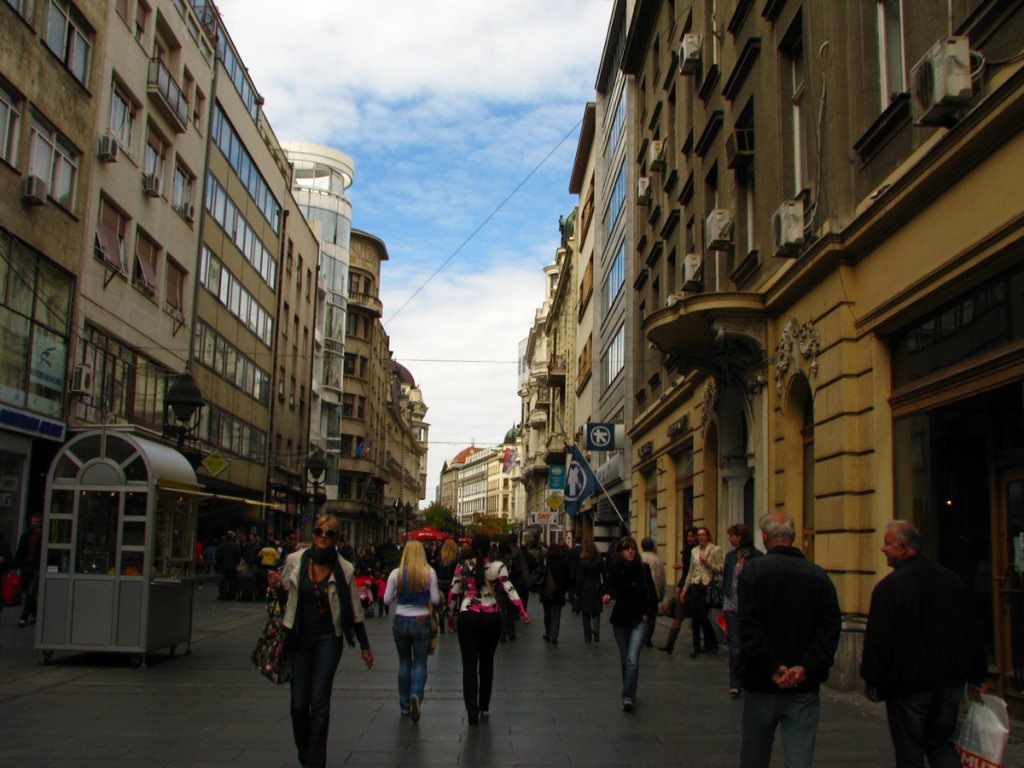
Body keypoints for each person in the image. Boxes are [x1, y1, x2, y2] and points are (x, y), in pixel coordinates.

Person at [860, 520, 987, 768]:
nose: (883, 549)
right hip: (948, 680)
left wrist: (872, 678)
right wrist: (977, 672)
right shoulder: (950, 579)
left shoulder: (890, 588)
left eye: (887, 544)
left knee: (909, 751)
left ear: (904, 547)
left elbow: (879, 639)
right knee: (941, 745)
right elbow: (971, 630)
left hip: (908, 684)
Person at [267, 514, 373, 768]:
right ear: (313, 535)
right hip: (299, 637)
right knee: (298, 704)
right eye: (319, 532)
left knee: (319, 701)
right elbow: (287, 597)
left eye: (330, 533)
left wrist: (365, 646)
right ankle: (305, 753)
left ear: (337, 539)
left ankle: (316, 762)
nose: (323, 536)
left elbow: (354, 610)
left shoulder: (344, 569)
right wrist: (278, 587)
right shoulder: (295, 561)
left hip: (329, 638)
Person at [737, 513, 841, 768]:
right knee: (799, 758)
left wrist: (773, 667)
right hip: (804, 684)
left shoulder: (753, 572)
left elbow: (749, 628)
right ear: (792, 537)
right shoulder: (819, 576)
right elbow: (829, 629)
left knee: (754, 755)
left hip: (762, 682)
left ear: (765, 537)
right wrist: (805, 666)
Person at [448, 533, 531, 725]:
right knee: (487, 662)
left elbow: (453, 592)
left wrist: (450, 617)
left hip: (468, 616)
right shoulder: (497, 567)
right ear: (489, 548)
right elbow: (509, 589)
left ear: (472, 547)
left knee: (469, 664)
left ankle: (471, 711)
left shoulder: (463, 566)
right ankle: (483, 703)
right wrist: (522, 610)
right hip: (491, 617)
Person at [383, 540, 441, 723]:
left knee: (404, 663)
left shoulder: (396, 573)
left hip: (400, 619)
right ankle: (416, 694)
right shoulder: (429, 572)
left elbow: (385, 600)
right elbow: (435, 600)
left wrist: (397, 594)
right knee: (420, 664)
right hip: (421, 619)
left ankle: (404, 705)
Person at [602, 536, 658, 712]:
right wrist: (607, 595)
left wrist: (648, 614)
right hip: (620, 619)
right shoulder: (615, 569)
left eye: (633, 548)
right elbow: (609, 587)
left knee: (632, 659)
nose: (631, 551)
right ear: (621, 552)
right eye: (627, 549)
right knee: (625, 659)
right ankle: (629, 687)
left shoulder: (643, 568)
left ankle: (628, 697)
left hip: (639, 618)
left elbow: (652, 593)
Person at [723, 522, 762, 698]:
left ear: (741, 537)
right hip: (731, 603)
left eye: (732, 535)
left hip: (749, 605)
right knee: (735, 644)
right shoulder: (731, 556)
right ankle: (735, 683)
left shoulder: (758, 557)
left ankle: (751, 678)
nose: (730, 539)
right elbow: (727, 577)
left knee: (750, 642)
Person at [680, 526, 724, 658]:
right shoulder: (694, 551)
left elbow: (720, 569)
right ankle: (696, 646)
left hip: (708, 585)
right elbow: (690, 571)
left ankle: (712, 642)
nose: (700, 537)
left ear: (708, 536)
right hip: (696, 585)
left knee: (702, 615)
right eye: (698, 535)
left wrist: (708, 564)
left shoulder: (715, 550)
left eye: (703, 535)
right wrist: (684, 590)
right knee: (695, 616)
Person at [658, 526, 698, 653]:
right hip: (685, 584)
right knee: (679, 615)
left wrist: (681, 585)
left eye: (692, 536)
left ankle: (706, 643)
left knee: (699, 616)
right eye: (688, 536)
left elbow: (691, 570)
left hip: (694, 586)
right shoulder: (688, 550)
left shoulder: (696, 551)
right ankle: (670, 644)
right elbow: (687, 570)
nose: (689, 539)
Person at [575, 540, 606, 643]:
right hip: (596, 587)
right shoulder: (599, 560)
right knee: (596, 611)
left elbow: (580, 577)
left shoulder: (582, 560)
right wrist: (604, 589)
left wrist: (577, 592)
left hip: (585, 588)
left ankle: (587, 637)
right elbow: (604, 575)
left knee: (586, 613)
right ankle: (596, 628)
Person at [15, 513, 42, 627]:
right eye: (32, 521)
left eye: (35, 521)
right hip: (26, 567)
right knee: (28, 592)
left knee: (30, 591)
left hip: (36, 567)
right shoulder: (26, 536)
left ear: (40, 523)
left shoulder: (42, 537)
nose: (33, 523)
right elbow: (20, 552)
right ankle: (35, 614)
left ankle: (24, 617)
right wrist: (16, 566)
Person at [540, 542, 570, 645]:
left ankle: (548, 633)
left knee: (547, 614)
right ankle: (554, 636)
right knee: (556, 614)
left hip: (547, 591)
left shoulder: (546, 562)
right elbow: (567, 578)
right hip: (559, 592)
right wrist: (564, 590)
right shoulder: (562, 562)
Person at [639, 537, 665, 648]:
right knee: (651, 616)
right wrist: (660, 593)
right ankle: (647, 637)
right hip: (653, 592)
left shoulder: (641, 558)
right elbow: (659, 579)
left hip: (645, 593)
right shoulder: (656, 559)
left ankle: (644, 636)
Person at [215, 530, 241, 600]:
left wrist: (218, 563)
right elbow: (238, 556)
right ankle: (231, 595)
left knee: (223, 582)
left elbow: (219, 556)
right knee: (232, 582)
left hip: (223, 566)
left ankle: (223, 595)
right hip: (233, 566)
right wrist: (238, 563)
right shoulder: (236, 546)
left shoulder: (222, 545)